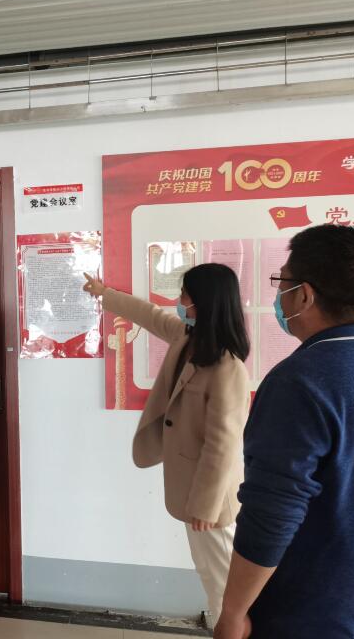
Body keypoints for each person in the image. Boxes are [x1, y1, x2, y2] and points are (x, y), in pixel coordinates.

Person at [215, 225, 354, 639]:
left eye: (282, 282)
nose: (279, 295)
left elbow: (271, 513)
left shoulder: (298, 380)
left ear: (304, 295)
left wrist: (233, 611)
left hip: (306, 618)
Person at [84, 263, 250, 628]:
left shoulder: (228, 367)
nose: (180, 301)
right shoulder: (188, 339)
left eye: (185, 294)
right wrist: (104, 294)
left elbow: (223, 446)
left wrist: (205, 506)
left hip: (211, 502)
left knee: (226, 589)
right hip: (190, 490)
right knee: (209, 576)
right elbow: (149, 315)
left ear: (203, 301)